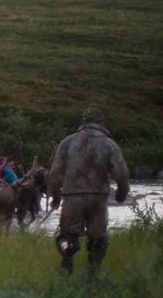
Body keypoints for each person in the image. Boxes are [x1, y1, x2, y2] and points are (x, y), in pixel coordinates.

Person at [46, 107, 129, 275]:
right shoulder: (109, 144)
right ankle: (93, 274)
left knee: (67, 235)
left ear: (82, 121)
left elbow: (55, 173)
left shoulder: (68, 142)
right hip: (98, 198)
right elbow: (122, 173)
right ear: (101, 122)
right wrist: (121, 194)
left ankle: (66, 269)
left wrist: (54, 196)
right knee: (98, 239)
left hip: (72, 197)